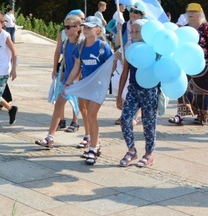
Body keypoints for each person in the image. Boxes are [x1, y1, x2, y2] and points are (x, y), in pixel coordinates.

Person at [59, 16, 113, 165]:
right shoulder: (81, 46)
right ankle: (95, 143)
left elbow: (111, 66)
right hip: (86, 84)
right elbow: (77, 66)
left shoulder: (103, 47)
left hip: (98, 86)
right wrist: (68, 83)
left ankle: (93, 148)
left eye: (90, 27)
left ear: (98, 29)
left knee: (92, 115)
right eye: (85, 27)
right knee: (87, 114)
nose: (86, 29)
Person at [116, 19, 158, 168]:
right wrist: (119, 94)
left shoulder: (154, 49)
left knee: (149, 123)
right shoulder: (130, 49)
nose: (133, 34)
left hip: (150, 91)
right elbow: (125, 72)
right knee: (125, 119)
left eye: (137, 31)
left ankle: (149, 154)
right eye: (131, 31)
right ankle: (131, 150)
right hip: (133, 90)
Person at [169, 3, 208, 125]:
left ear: (199, 14)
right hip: (186, 64)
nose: (190, 14)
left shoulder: (206, 28)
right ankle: (180, 115)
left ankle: (202, 115)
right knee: (184, 89)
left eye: (193, 12)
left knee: (202, 90)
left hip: (203, 64)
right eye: (188, 12)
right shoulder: (184, 29)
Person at [41, 14, 83, 146]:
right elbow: (64, 61)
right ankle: (50, 137)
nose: (66, 29)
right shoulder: (65, 43)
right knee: (58, 105)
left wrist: (74, 81)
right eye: (65, 26)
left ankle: (89, 137)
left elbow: (80, 65)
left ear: (77, 28)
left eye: (69, 27)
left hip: (76, 82)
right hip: (66, 80)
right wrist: (61, 76)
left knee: (85, 110)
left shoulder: (81, 44)